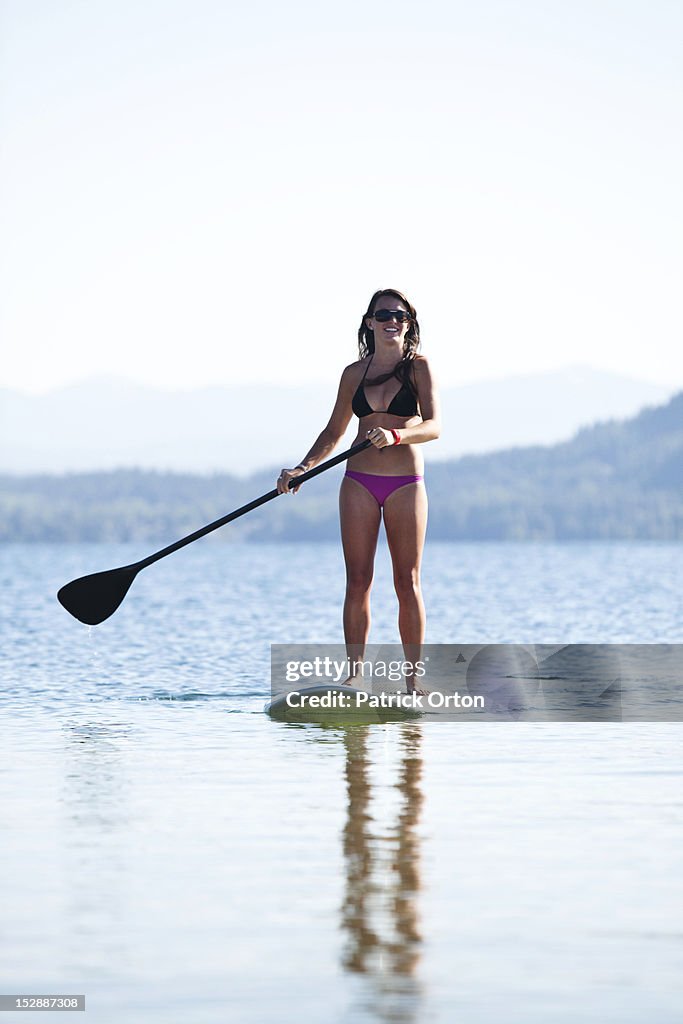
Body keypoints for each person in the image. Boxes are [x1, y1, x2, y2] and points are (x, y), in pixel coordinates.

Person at [277, 289, 440, 692]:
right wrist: (303, 468)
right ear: (369, 322)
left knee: (408, 581)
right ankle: (354, 674)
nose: (393, 321)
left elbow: (434, 426)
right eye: (384, 314)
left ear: (409, 323)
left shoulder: (418, 368)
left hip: (405, 485)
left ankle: (413, 681)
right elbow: (334, 431)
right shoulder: (354, 373)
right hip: (358, 483)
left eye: (401, 316)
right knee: (358, 580)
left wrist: (397, 435)